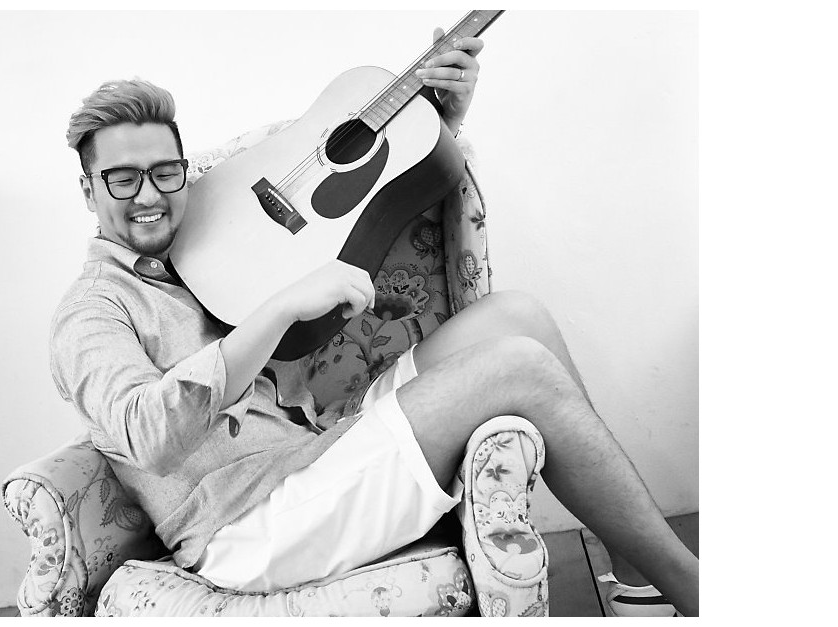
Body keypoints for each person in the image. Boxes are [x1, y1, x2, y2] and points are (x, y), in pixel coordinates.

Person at [50, 28, 698, 617]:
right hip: (249, 522)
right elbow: (147, 435)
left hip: (316, 445)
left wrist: (435, 122)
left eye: (165, 172)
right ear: (88, 190)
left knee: (516, 318)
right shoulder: (91, 311)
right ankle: (698, 591)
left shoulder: (200, 237)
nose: (150, 195)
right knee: (519, 368)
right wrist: (282, 305)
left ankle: (636, 580)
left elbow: (340, 202)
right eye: (123, 179)